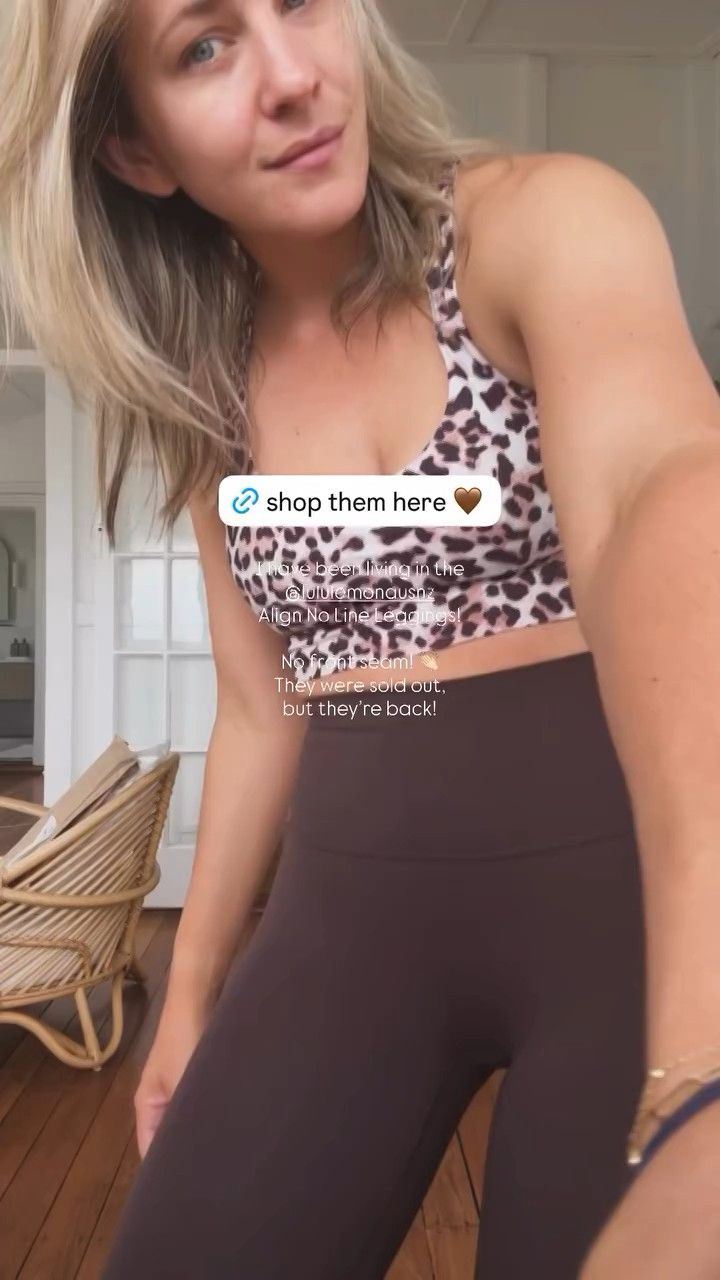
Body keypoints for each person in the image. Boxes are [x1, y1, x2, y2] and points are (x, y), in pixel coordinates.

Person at [2, 2, 720, 1277]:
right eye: (204, 46)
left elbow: (654, 496)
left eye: (298, 2)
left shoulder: (541, 224)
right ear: (137, 150)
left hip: (624, 906)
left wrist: (703, 1068)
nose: (291, 75)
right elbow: (259, 701)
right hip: (345, 909)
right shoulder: (210, 379)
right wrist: (189, 999)